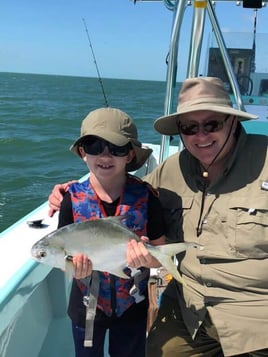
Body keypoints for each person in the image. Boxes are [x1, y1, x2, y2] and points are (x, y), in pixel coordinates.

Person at [48, 77, 268, 356]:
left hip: (258, 317)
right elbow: (121, 192)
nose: (201, 136)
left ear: (232, 123)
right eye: (190, 127)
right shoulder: (170, 171)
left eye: (212, 124)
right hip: (192, 310)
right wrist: (68, 191)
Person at [55, 107, 166, 357]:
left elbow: (159, 252)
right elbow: (64, 253)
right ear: (83, 153)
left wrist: (148, 258)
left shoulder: (147, 197)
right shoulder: (70, 200)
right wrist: (73, 266)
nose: (105, 155)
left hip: (133, 305)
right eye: (95, 146)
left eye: (116, 148)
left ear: (129, 155)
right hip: (85, 306)